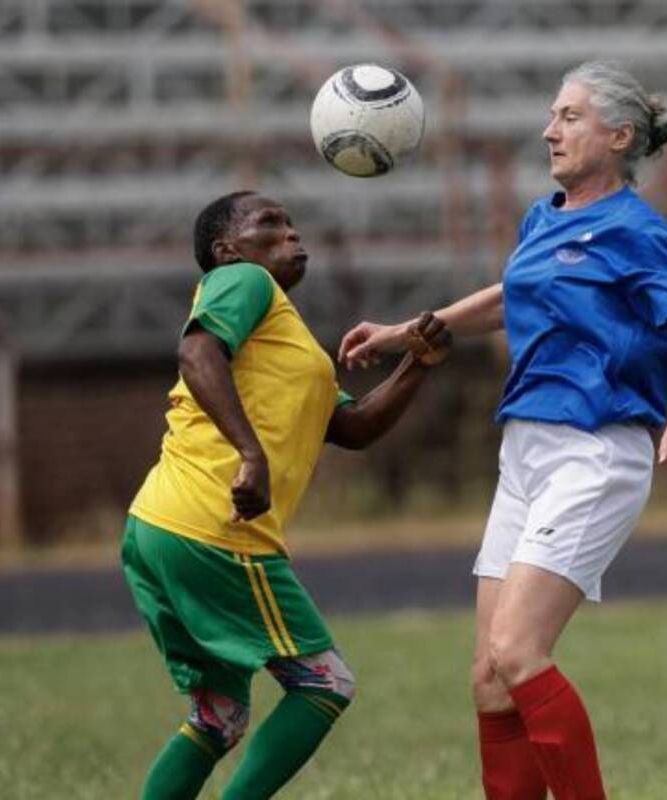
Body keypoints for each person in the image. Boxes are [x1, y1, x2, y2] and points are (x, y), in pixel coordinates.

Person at [338, 61, 667, 799]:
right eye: (552, 115)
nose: (550, 130)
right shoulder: (544, 218)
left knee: (518, 650)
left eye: (570, 117)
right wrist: (408, 330)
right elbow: (507, 295)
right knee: (489, 677)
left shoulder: (639, 232)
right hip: (524, 451)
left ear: (620, 136)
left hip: (594, 454)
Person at [121, 189, 450, 800]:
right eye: (270, 223)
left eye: (293, 223)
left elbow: (352, 427)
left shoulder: (283, 338)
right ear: (227, 250)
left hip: (160, 525)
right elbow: (196, 351)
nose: (291, 233)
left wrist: (419, 363)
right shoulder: (243, 280)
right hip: (213, 525)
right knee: (325, 683)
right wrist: (251, 455)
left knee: (219, 717)